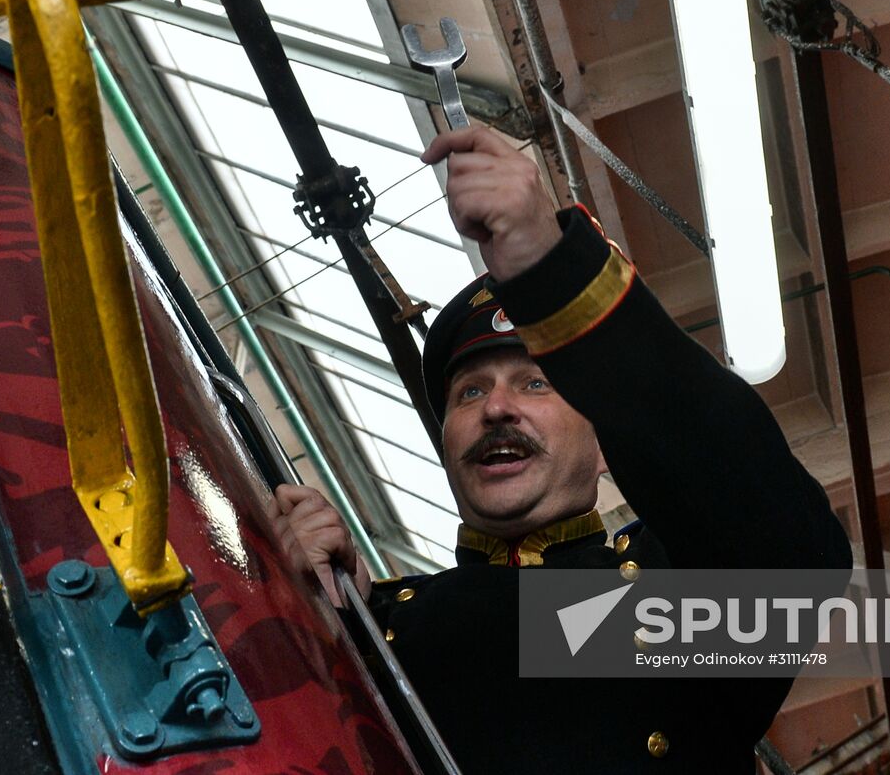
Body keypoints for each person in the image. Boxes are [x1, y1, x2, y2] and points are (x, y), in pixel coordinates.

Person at [273, 126, 852, 772]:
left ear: (609, 445)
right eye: (468, 394)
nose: (495, 408)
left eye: (536, 383)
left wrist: (551, 272)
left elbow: (789, 554)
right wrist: (326, 619)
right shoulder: (383, 623)